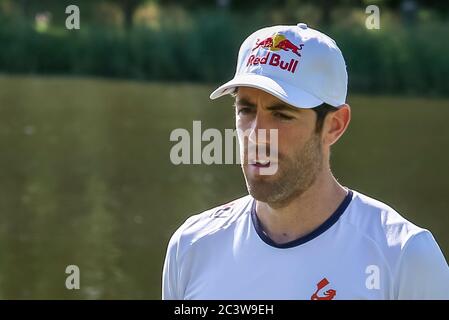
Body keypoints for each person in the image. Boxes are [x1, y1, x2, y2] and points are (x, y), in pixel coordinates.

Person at [162, 23, 449, 300]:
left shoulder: (404, 257)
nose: (256, 135)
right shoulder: (191, 246)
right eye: (246, 110)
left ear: (334, 125)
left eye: (282, 114)